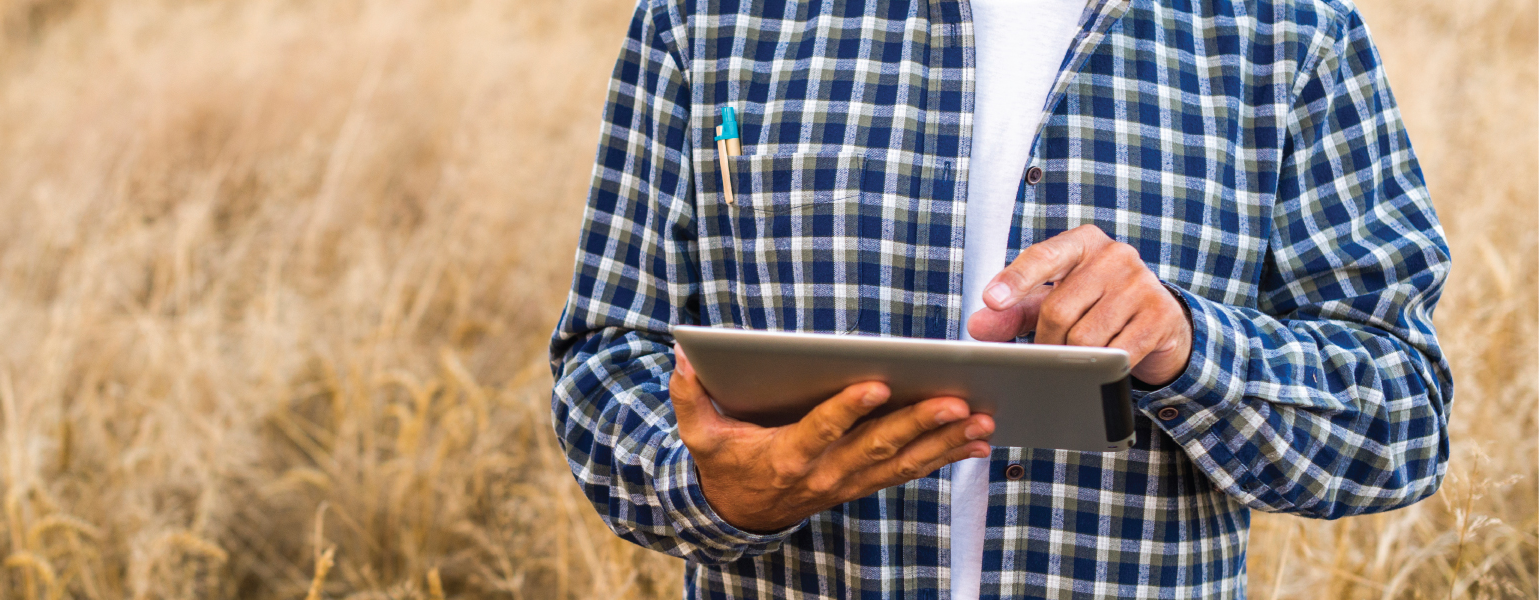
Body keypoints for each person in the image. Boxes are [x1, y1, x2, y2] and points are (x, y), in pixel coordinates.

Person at [547, 0, 1452, 597]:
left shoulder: (1290, 30)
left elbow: (1403, 424)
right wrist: (710, 487)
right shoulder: (705, 17)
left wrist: (1187, 346)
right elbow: (604, 357)